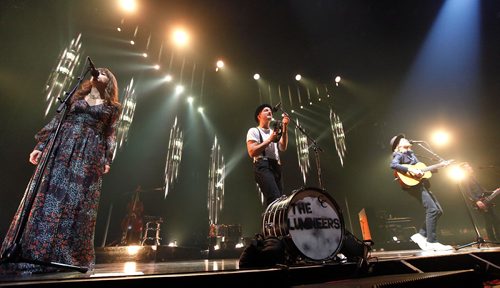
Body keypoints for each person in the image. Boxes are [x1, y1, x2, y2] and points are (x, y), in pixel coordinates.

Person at [0, 67, 121, 274]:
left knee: (75, 201)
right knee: (48, 195)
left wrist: (106, 159)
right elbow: (58, 121)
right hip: (61, 147)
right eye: (96, 71)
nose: (97, 73)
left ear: (109, 81)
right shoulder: (74, 97)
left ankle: (64, 255)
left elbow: (110, 135)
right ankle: (33, 251)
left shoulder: (112, 107)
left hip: (88, 154)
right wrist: (40, 146)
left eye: (102, 73)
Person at [389, 134, 453, 251]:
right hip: (413, 186)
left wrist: (439, 166)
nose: (406, 139)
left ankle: (421, 235)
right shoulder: (399, 154)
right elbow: (393, 165)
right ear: (398, 145)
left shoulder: (412, 154)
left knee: (438, 211)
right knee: (432, 210)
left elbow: (421, 169)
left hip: (421, 184)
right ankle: (432, 242)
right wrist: (411, 170)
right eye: (403, 139)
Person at [246, 104, 290, 208]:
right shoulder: (254, 131)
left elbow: (283, 147)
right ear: (259, 116)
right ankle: (271, 224)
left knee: (281, 201)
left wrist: (285, 127)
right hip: (263, 165)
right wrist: (269, 139)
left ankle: (276, 223)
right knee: (274, 197)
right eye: (266, 110)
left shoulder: (273, 132)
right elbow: (252, 152)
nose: (270, 112)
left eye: (270, 110)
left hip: (276, 166)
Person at [458, 163, 499, 242]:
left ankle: (498, 238)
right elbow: (468, 192)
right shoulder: (465, 179)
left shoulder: (473, 177)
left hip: (486, 200)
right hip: (480, 201)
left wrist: (494, 191)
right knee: (489, 221)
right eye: (468, 166)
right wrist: (477, 201)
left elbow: (483, 191)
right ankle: (493, 240)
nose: (470, 167)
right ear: (464, 170)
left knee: (496, 220)